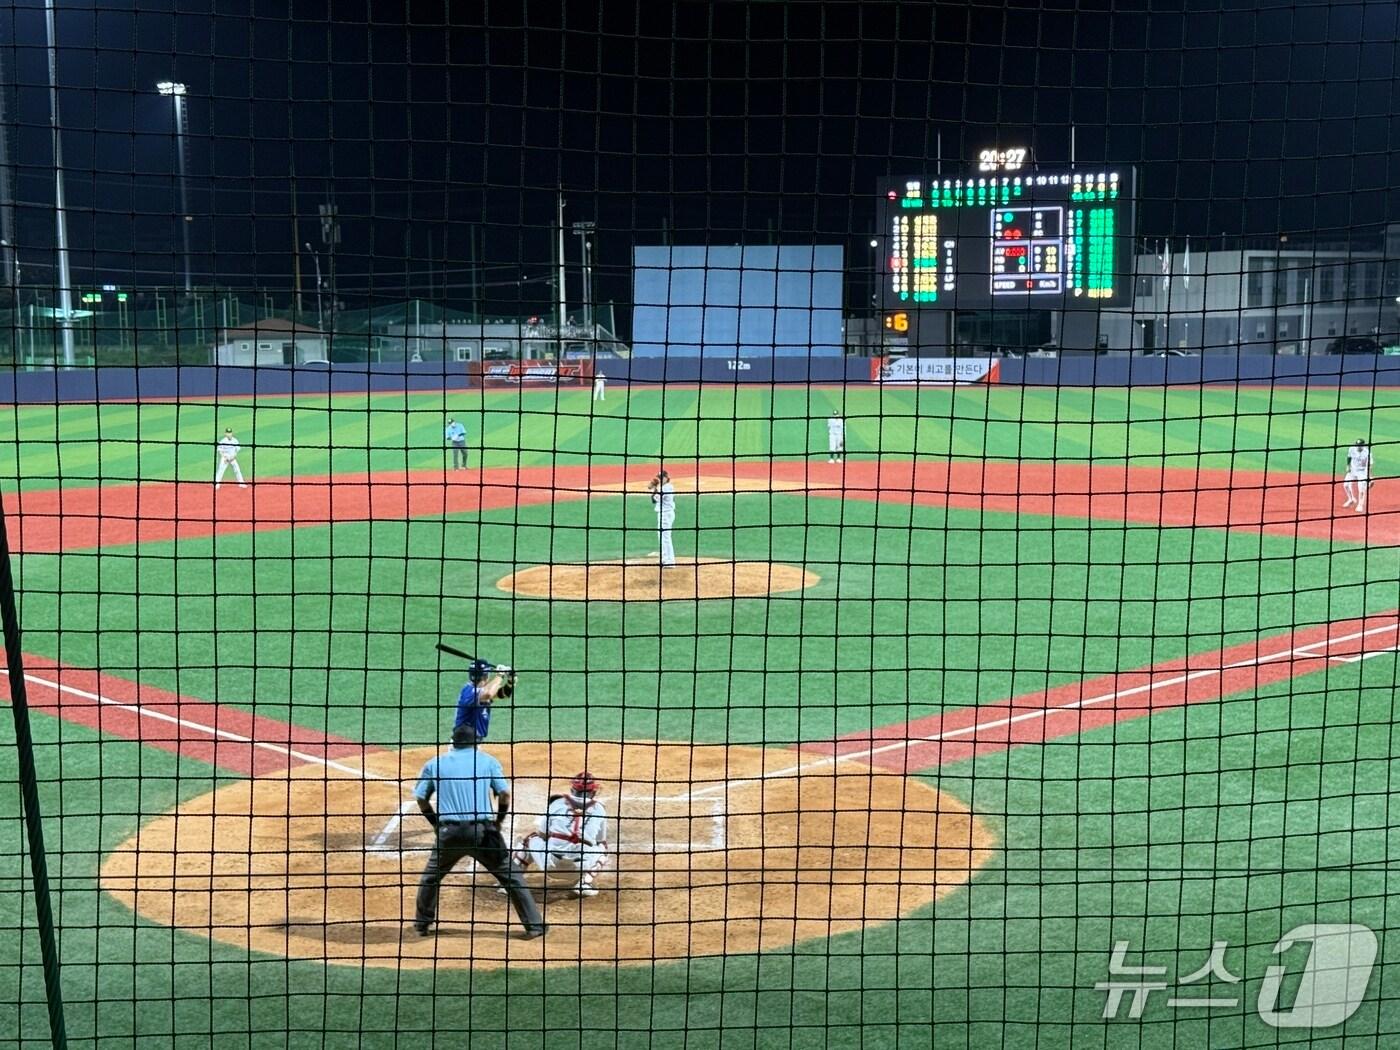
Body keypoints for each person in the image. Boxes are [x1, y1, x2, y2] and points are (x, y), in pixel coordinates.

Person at [411, 726, 547, 940]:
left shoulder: (435, 764)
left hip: (450, 834)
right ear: (476, 743)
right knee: (512, 877)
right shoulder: (487, 761)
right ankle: (534, 926)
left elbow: (421, 799)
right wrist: (498, 822)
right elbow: (504, 794)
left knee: (431, 878)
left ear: (452, 743)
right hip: (482, 833)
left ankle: (422, 924)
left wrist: (436, 824)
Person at [512, 771, 609, 898]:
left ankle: (510, 884)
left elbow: (542, 834)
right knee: (603, 848)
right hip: (579, 868)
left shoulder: (556, 803)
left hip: (549, 865)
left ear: (572, 789)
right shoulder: (599, 809)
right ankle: (584, 884)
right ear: (593, 792)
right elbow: (600, 840)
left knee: (530, 839)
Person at [453, 659, 512, 740]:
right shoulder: (469, 691)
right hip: (463, 741)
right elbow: (488, 694)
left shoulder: (482, 689)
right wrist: (500, 675)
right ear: (486, 675)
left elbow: (504, 694)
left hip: (473, 740)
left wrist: (510, 682)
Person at [648, 469, 676, 568]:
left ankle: (670, 561)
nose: (659, 479)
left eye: (661, 478)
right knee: (662, 537)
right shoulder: (664, 487)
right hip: (664, 514)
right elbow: (654, 499)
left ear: (666, 478)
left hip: (666, 515)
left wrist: (653, 488)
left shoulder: (666, 488)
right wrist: (655, 487)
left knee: (665, 538)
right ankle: (665, 559)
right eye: (659, 477)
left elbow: (654, 499)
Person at [1342, 438, 1373, 513]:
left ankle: (1360, 505)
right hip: (1353, 470)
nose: (1358, 447)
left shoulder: (1367, 452)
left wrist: (1370, 476)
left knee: (1361, 489)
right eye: (1357, 445)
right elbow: (1349, 457)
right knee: (1345, 485)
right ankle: (1351, 499)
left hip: (1362, 472)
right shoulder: (1352, 449)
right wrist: (1348, 466)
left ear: (1363, 445)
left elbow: (1370, 464)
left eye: (1360, 445)